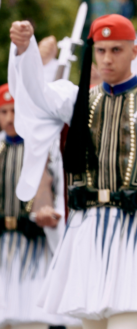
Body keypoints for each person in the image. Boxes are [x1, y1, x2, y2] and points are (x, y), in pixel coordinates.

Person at [8, 15, 137, 329]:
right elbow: (35, 98)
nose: (106, 58)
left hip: (135, 229)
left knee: (127, 320)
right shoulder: (78, 102)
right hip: (87, 229)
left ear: (135, 51)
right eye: (101, 50)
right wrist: (25, 52)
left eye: (116, 50)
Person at [0, 83, 79, 329]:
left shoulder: (44, 147)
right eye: (4, 112)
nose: (10, 118)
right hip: (3, 243)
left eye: (14, 111)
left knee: (33, 316)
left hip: (35, 241)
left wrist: (50, 214)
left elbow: (61, 191)